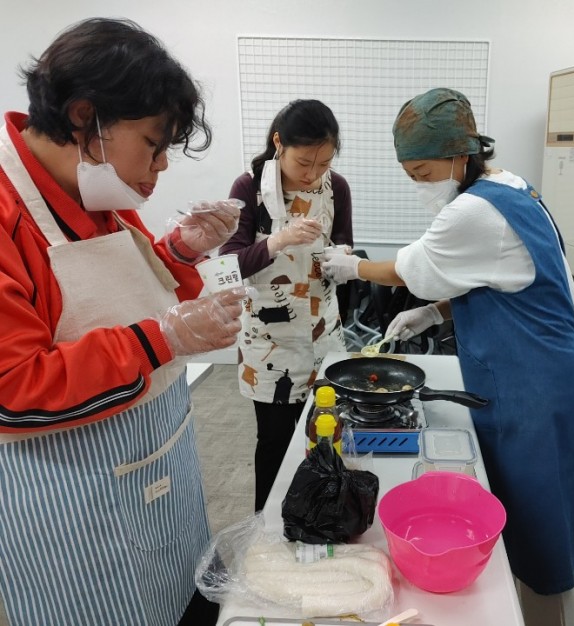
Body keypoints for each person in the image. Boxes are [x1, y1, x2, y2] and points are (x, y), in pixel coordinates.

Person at [0, 18, 247, 626]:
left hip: (157, 460)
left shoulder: (94, 189)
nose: (160, 168)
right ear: (85, 118)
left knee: (186, 596)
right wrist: (162, 338)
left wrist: (180, 252)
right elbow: (13, 389)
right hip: (75, 499)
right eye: (153, 145)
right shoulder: (9, 212)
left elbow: (129, 291)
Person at [322, 87, 574, 626]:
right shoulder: (509, 186)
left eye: (424, 173)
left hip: (537, 388)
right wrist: (435, 313)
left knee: (543, 528)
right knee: (519, 515)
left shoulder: (474, 211)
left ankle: (551, 616)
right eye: (411, 175)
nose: (420, 185)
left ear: (459, 154)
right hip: (540, 373)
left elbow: (410, 269)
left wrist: (351, 267)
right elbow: (503, 278)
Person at [221, 99, 353, 512]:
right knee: (275, 442)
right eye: (303, 163)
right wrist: (278, 241)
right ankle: (266, 527)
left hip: (322, 333)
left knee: (325, 436)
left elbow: (343, 243)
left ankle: (322, 517)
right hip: (268, 342)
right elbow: (229, 266)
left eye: (323, 163)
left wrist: (344, 261)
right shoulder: (248, 188)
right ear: (279, 143)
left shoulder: (337, 187)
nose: (313, 174)